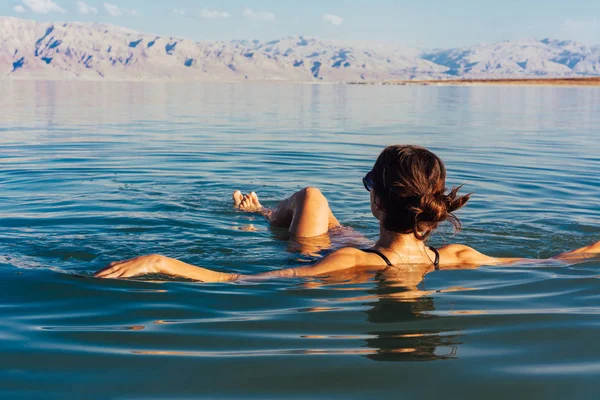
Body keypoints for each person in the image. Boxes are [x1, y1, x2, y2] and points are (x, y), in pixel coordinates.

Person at [94, 145, 600, 282]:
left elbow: (240, 280)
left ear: (377, 201)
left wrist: (162, 261)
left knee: (313, 196)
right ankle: (266, 210)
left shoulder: (351, 265)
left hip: (321, 245)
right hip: (366, 241)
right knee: (327, 214)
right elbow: (553, 263)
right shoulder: (459, 256)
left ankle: (265, 214)